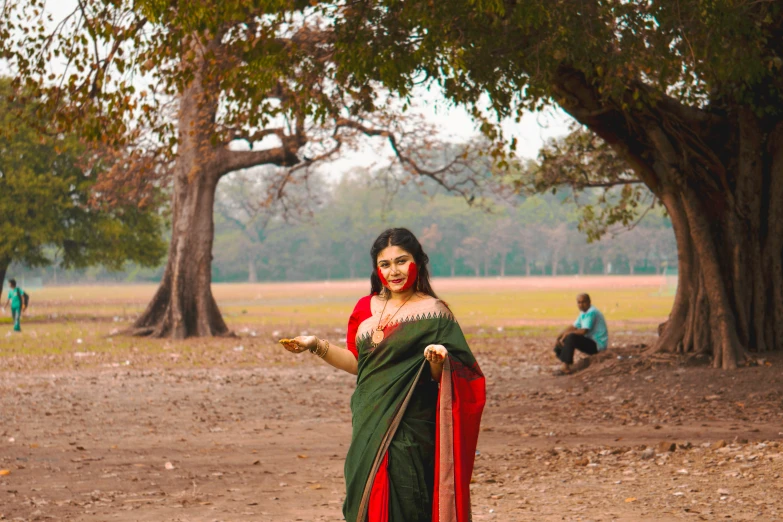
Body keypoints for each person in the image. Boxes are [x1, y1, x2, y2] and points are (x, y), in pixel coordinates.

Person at [280, 228, 485, 522]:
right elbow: (357, 363)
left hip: (411, 427)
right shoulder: (365, 308)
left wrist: (440, 359)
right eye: (385, 264)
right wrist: (316, 345)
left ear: (419, 262)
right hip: (368, 421)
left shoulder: (436, 313)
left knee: (407, 500)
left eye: (402, 261)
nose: (394, 271)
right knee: (364, 496)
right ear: (377, 269)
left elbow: (458, 377)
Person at [554, 293, 608, 374]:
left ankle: (566, 366)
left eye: (583, 302)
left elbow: (583, 331)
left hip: (598, 345)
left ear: (589, 302)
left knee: (571, 337)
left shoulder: (591, 312)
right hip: (591, 342)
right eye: (579, 302)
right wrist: (560, 336)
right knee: (566, 336)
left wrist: (567, 334)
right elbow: (574, 326)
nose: (581, 305)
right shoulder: (583, 312)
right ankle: (564, 363)